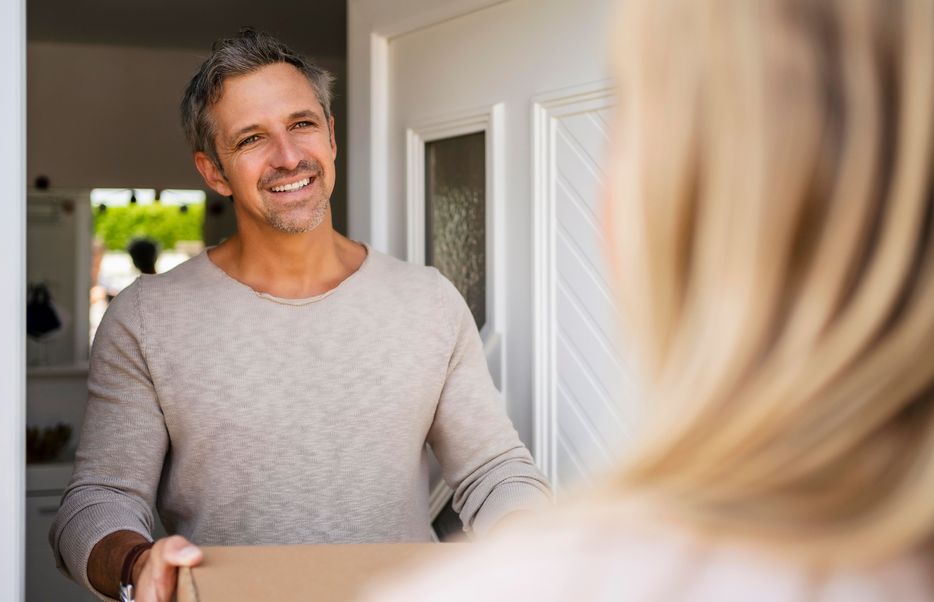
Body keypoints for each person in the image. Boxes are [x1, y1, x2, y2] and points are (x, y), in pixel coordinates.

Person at [367, 0, 934, 600]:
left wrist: (540, 555)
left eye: (631, 115)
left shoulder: (546, 585)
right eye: (251, 137)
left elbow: (491, 470)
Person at [49, 29, 550, 602]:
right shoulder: (146, 317)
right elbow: (95, 504)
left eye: (302, 124)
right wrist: (138, 564)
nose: (288, 156)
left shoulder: (428, 301)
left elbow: (494, 473)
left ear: (331, 137)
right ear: (214, 172)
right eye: (252, 138)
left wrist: (531, 545)